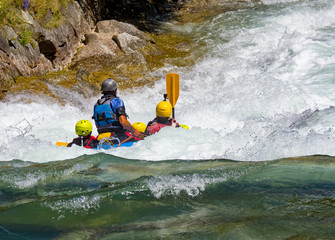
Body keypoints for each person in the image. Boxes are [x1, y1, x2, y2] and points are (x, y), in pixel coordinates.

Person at [92, 78, 145, 145]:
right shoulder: (116, 101)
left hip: (101, 138)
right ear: (114, 90)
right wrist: (134, 131)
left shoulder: (96, 104)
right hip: (117, 136)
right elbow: (123, 121)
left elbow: (97, 125)